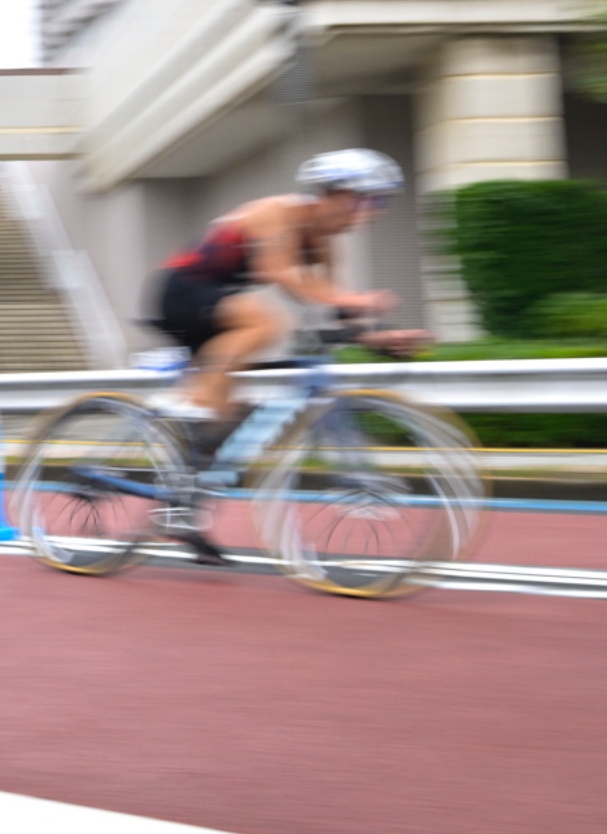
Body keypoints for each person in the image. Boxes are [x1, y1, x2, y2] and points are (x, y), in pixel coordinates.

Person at [147, 149, 425, 562]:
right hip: (181, 291)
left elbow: (335, 307)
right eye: (370, 200)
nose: (373, 212)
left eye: (380, 202)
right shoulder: (276, 212)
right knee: (266, 322)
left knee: (227, 429)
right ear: (337, 194)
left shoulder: (326, 245)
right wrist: (355, 298)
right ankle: (192, 406)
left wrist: (378, 337)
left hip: (220, 307)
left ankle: (180, 511)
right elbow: (275, 271)